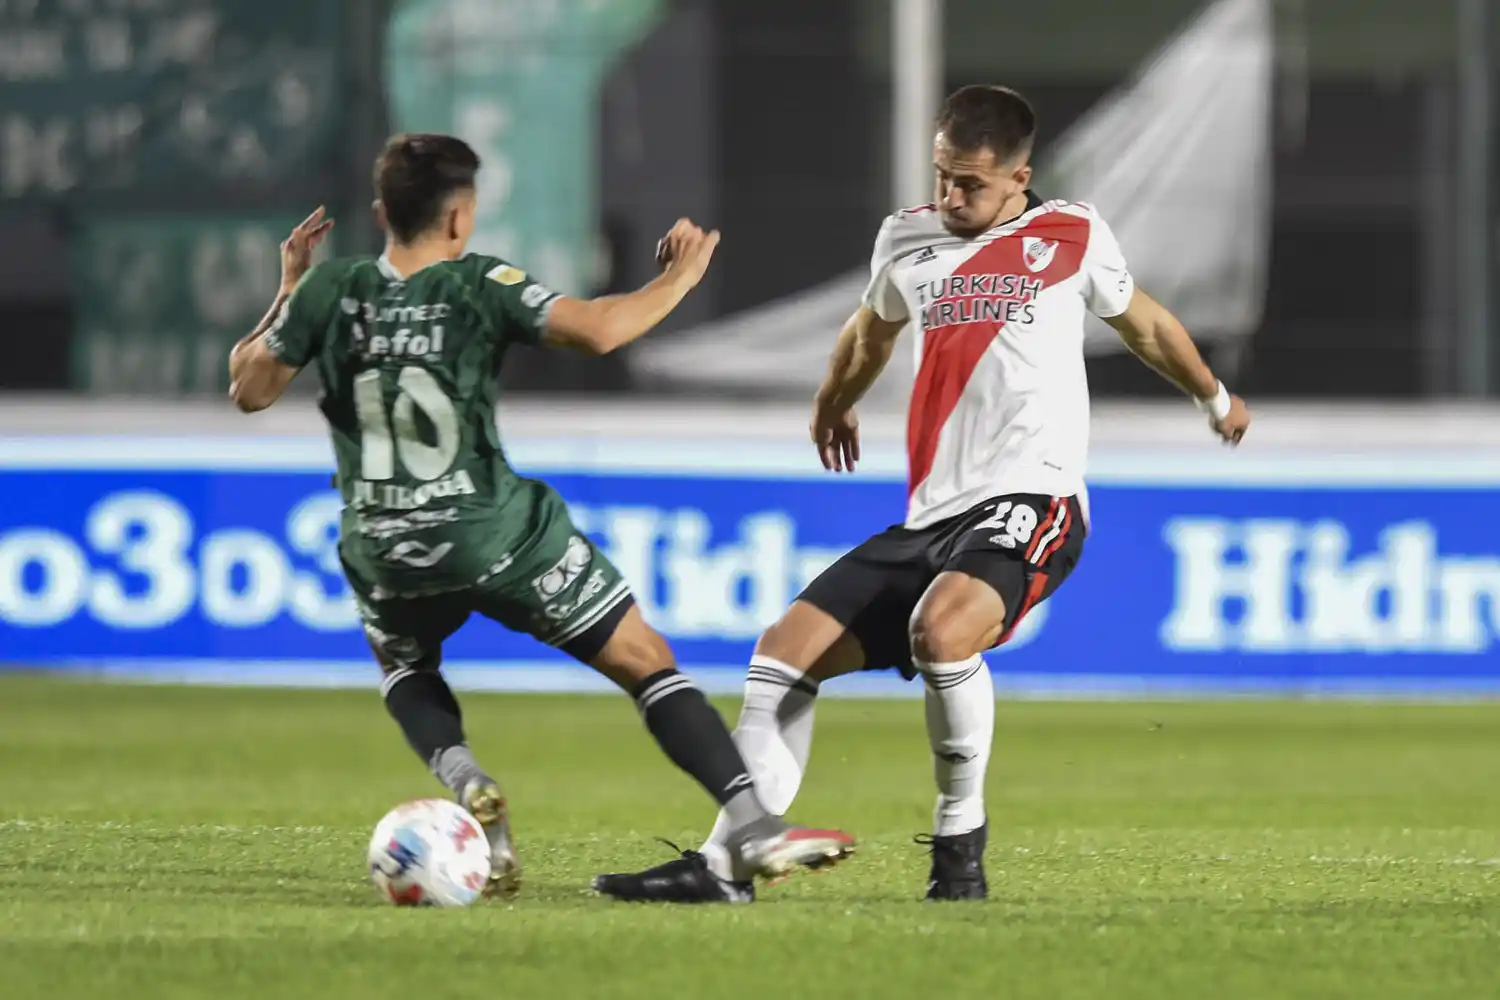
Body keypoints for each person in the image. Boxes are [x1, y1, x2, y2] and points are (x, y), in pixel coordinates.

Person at [593, 84, 1251, 904]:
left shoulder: (1070, 233)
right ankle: (727, 864)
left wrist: (1214, 397)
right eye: (943, 175)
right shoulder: (906, 237)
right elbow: (869, 332)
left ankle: (959, 843)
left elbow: (1144, 323)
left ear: (1019, 177)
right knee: (781, 653)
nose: (952, 196)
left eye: (971, 183)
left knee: (942, 632)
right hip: (933, 514)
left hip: (1034, 499)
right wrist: (834, 401)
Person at [227, 133, 854, 899]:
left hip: (384, 546)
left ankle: (467, 779)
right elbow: (599, 330)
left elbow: (249, 389)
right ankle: (752, 824)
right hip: (494, 536)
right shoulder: (479, 282)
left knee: (405, 666)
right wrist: (680, 278)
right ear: (459, 218)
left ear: (382, 211)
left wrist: (292, 288)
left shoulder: (332, 289)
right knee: (643, 659)